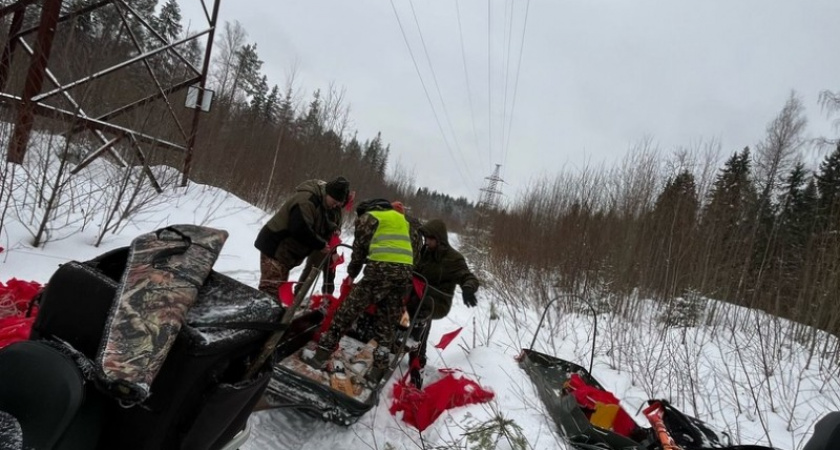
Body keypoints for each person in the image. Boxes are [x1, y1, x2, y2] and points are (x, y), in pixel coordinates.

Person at [302, 198, 415, 384]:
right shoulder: (401, 220)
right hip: (404, 276)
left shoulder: (368, 217)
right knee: (386, 323)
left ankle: (321, 356)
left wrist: (352, 274)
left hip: (380, 271)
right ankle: (377, 370)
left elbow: (359, 253)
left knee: (346, 312)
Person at [407, 218, 479, 388]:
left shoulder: (453, 259)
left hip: (438, 301)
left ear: (439, 239)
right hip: (419, 293)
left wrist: (468, 288)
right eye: (426, 238)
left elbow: (467, 276)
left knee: (422, 309)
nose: (426, 242)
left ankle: (417, 359)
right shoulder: (425, 252)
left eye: (430, 239)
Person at [253, 177, 350, 296]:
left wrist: (333, 228)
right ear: (329, 194)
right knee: (270, 292)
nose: (334, 206)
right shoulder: (307, 201)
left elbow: (321, 220)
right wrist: (320, 244)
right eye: (334, 202)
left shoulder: (322, 202)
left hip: (284, 253)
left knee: (277, 291)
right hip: (275, 246)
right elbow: (299, 229)